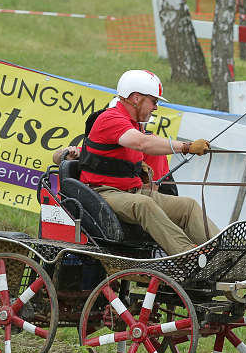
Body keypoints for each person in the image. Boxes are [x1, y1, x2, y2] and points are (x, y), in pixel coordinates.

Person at [77, 69, 219, 256]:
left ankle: (223, 253)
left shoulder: (132, 123)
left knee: (188, 206)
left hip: (130, 193)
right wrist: (187, 147)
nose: (156, 107)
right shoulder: (110, 118)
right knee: (144, 204)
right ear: (137, 98)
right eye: (154, 101)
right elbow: (142, 143)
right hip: (102, 193)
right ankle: (188, 257)